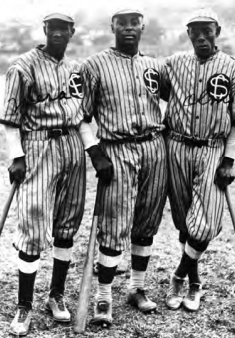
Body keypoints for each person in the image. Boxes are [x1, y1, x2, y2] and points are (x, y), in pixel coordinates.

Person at [0, 13, 112, 336]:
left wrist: (94, 151)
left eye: (65, 28)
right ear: (45, 30)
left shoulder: (75, 70)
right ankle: (24, 306)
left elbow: (80, 118)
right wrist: (17, 156)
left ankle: (56, 295)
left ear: (72, 32)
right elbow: (10, 119)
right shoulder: (24, 66)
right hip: (39, 143)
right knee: (33, 222)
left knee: (67, 223)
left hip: (72, 146)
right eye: (54, 28)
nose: (59, 33)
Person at [80, 9, 169, 326]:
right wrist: (95, 152)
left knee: (146, 222)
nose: (129, 28)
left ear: (143, 26)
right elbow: (80, 117)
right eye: (123, 23)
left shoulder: (155, 66)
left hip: (154, 147)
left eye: (135, 22)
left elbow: (178, 102)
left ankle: (136, 288)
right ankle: (103, 297)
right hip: (116, 149)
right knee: (115, 225)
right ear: (113, 26)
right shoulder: (94, 65)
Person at [164, 8, 235, 312]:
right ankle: (195, 283)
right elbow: (154, 94)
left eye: (207, 30)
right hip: (176, 147)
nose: (201, 36)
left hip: (212, 148)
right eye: (195, 30)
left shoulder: (234, 69)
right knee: (185, 223)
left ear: (218, 31)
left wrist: (229, 160)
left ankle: (178, 276)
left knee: (204, 225)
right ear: (187, 33)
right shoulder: (173, 64)